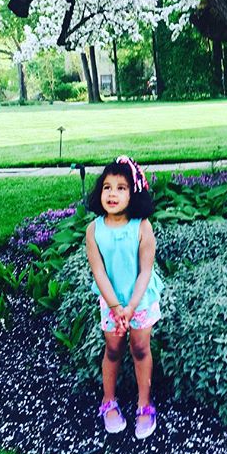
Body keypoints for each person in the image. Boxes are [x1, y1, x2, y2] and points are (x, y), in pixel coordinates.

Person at [85, 155, 163, 439]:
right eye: (107, 187)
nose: (112, 194)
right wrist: (117, 307)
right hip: (111, 302)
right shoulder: (94, 230)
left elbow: (145, 271)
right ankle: (108, 401)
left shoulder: (142, 227)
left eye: (121, 187)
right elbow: (99, 272)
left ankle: (144, 404)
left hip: (140, 300)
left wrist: (130, 307)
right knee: (114, 349)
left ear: (133, 193)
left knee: (140, 348)